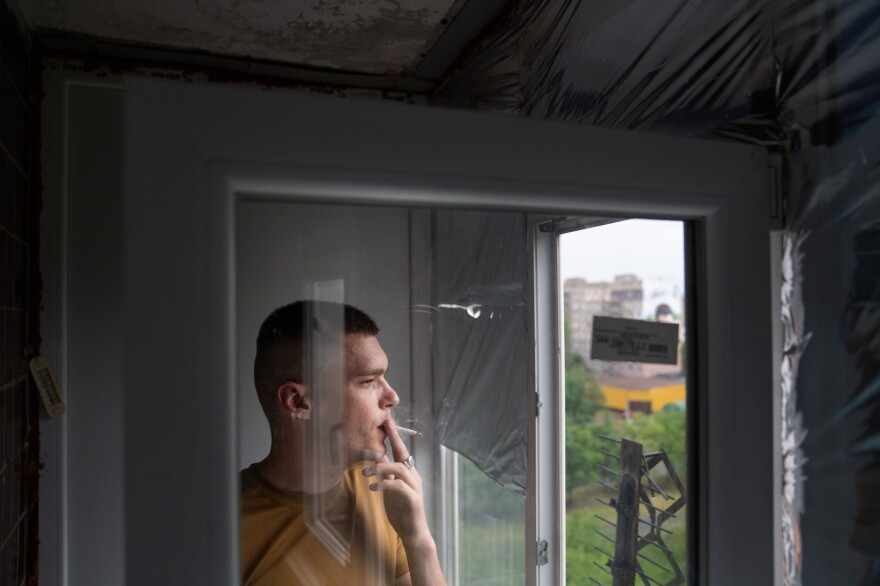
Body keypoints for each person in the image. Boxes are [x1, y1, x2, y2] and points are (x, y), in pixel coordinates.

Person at [240, 300, 447, 586]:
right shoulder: (226, 527)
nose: (392, 397)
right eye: (368, 380)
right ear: (299, 401)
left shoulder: (379, 490)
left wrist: (418, 539)